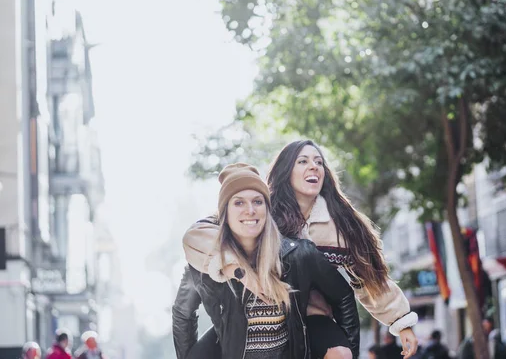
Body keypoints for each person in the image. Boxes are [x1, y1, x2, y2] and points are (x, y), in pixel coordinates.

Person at [180, 140, 419, 358]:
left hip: (311, 316)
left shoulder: (340, 225)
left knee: (339, 354)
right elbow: (199, 234)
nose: (313, 167)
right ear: (287, 170)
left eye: (318, 162)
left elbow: (370, 279)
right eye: (303, 161)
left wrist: (400, 321)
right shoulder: (261, 210)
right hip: (253, 317)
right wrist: (236, 267)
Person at [174, 163, 359, 358]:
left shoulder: (298, 255)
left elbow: (343, 296)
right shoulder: (207, 263)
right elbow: (182, 313)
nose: (250, 210)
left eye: (258, 201)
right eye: (238, 203)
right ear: (225, 214)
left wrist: (351, 351)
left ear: (267, 208)